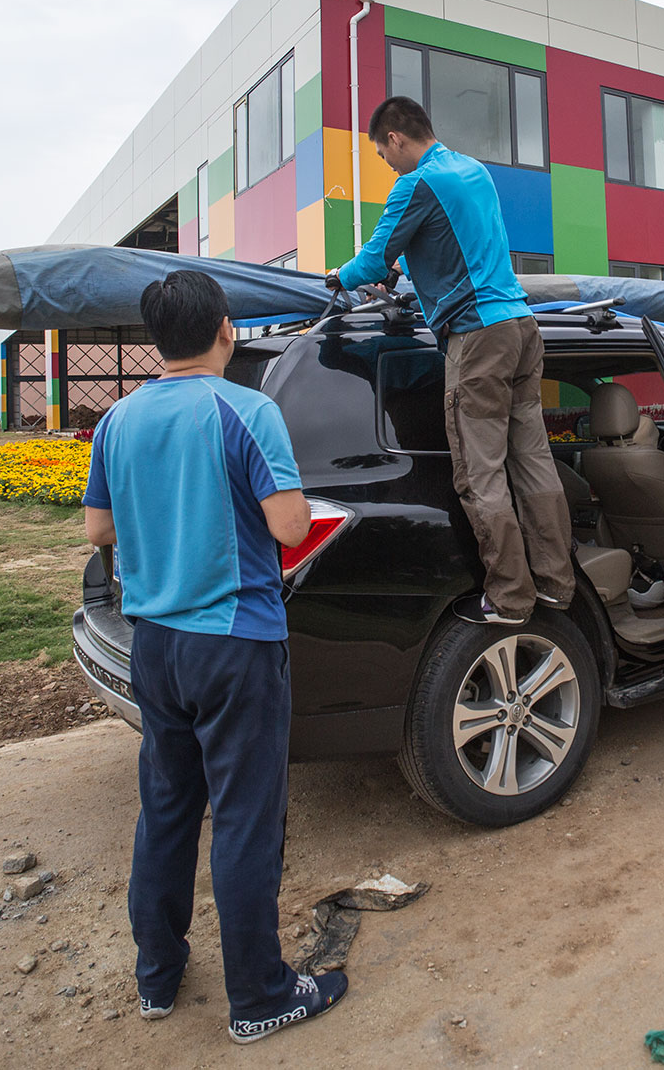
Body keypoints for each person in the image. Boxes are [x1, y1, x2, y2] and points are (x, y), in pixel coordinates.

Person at [81, 269, 347, 1044]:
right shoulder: (247, 410)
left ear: (155, 340)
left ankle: (156, 977)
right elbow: (291, 526)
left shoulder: (119, 420)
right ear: (226, 329)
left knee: (166, 809)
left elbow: (97, 530)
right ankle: (261, 995)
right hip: (234, 643)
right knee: (243, 817)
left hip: (154, 646)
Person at [326, 95, 574, 624]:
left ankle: (510, 598)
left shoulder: (415, 184)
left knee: (480, 475)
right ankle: (556, 584)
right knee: (532, 462)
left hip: (478, 336)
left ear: (395, 138)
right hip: (522, 328)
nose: (386, 164)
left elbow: (373, 259)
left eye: (381, 153)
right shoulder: (474, 171)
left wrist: (336, 279)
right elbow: (460, 250)